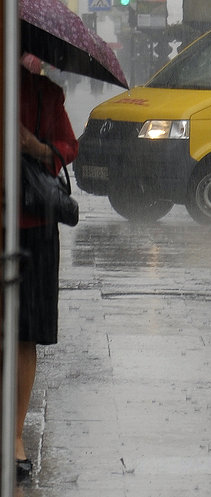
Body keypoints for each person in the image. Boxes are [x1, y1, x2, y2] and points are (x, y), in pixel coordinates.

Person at [17, 61, 79, 480]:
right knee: (23, 334)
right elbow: (66, 147)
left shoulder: (45, 94)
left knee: (25, 333)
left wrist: (31, 146)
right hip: (34, 227)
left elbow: (66, 147)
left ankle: (14, 436)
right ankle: (14, 437)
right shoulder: (44, 92)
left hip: (32, 225)